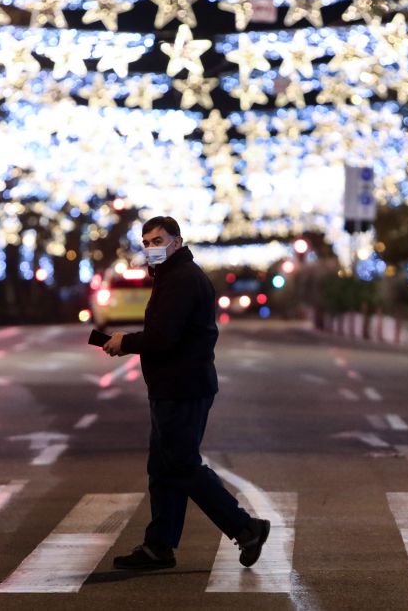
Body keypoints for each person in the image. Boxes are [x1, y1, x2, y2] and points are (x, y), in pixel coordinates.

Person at [102, 216, 270, 571]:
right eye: (146, 242)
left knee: (181, 465)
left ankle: (245, 527)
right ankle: (159, 546)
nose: (152, 248)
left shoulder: (181, 280)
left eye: (158, 240)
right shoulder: (172, 277)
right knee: (162, 467)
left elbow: (164, 337)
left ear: (177, 242)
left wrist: (123, 342)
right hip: (172, 387)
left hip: (182, 388)